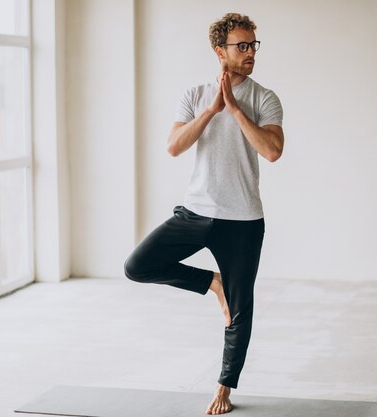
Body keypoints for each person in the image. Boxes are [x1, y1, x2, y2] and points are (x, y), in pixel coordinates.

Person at [124, 12, 284, 415]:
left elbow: (272, 150)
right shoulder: (195, 95)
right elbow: (174, 146)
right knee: (138, 265)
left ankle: (224, 388)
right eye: (241, 46)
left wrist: (234, 110)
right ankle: (213, 283)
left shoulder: (264, 98)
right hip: (195, 212)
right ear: (220, 51)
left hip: (243, 220)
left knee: (240, 308)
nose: (250, 53)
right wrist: (212, 109)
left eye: (253, 45)